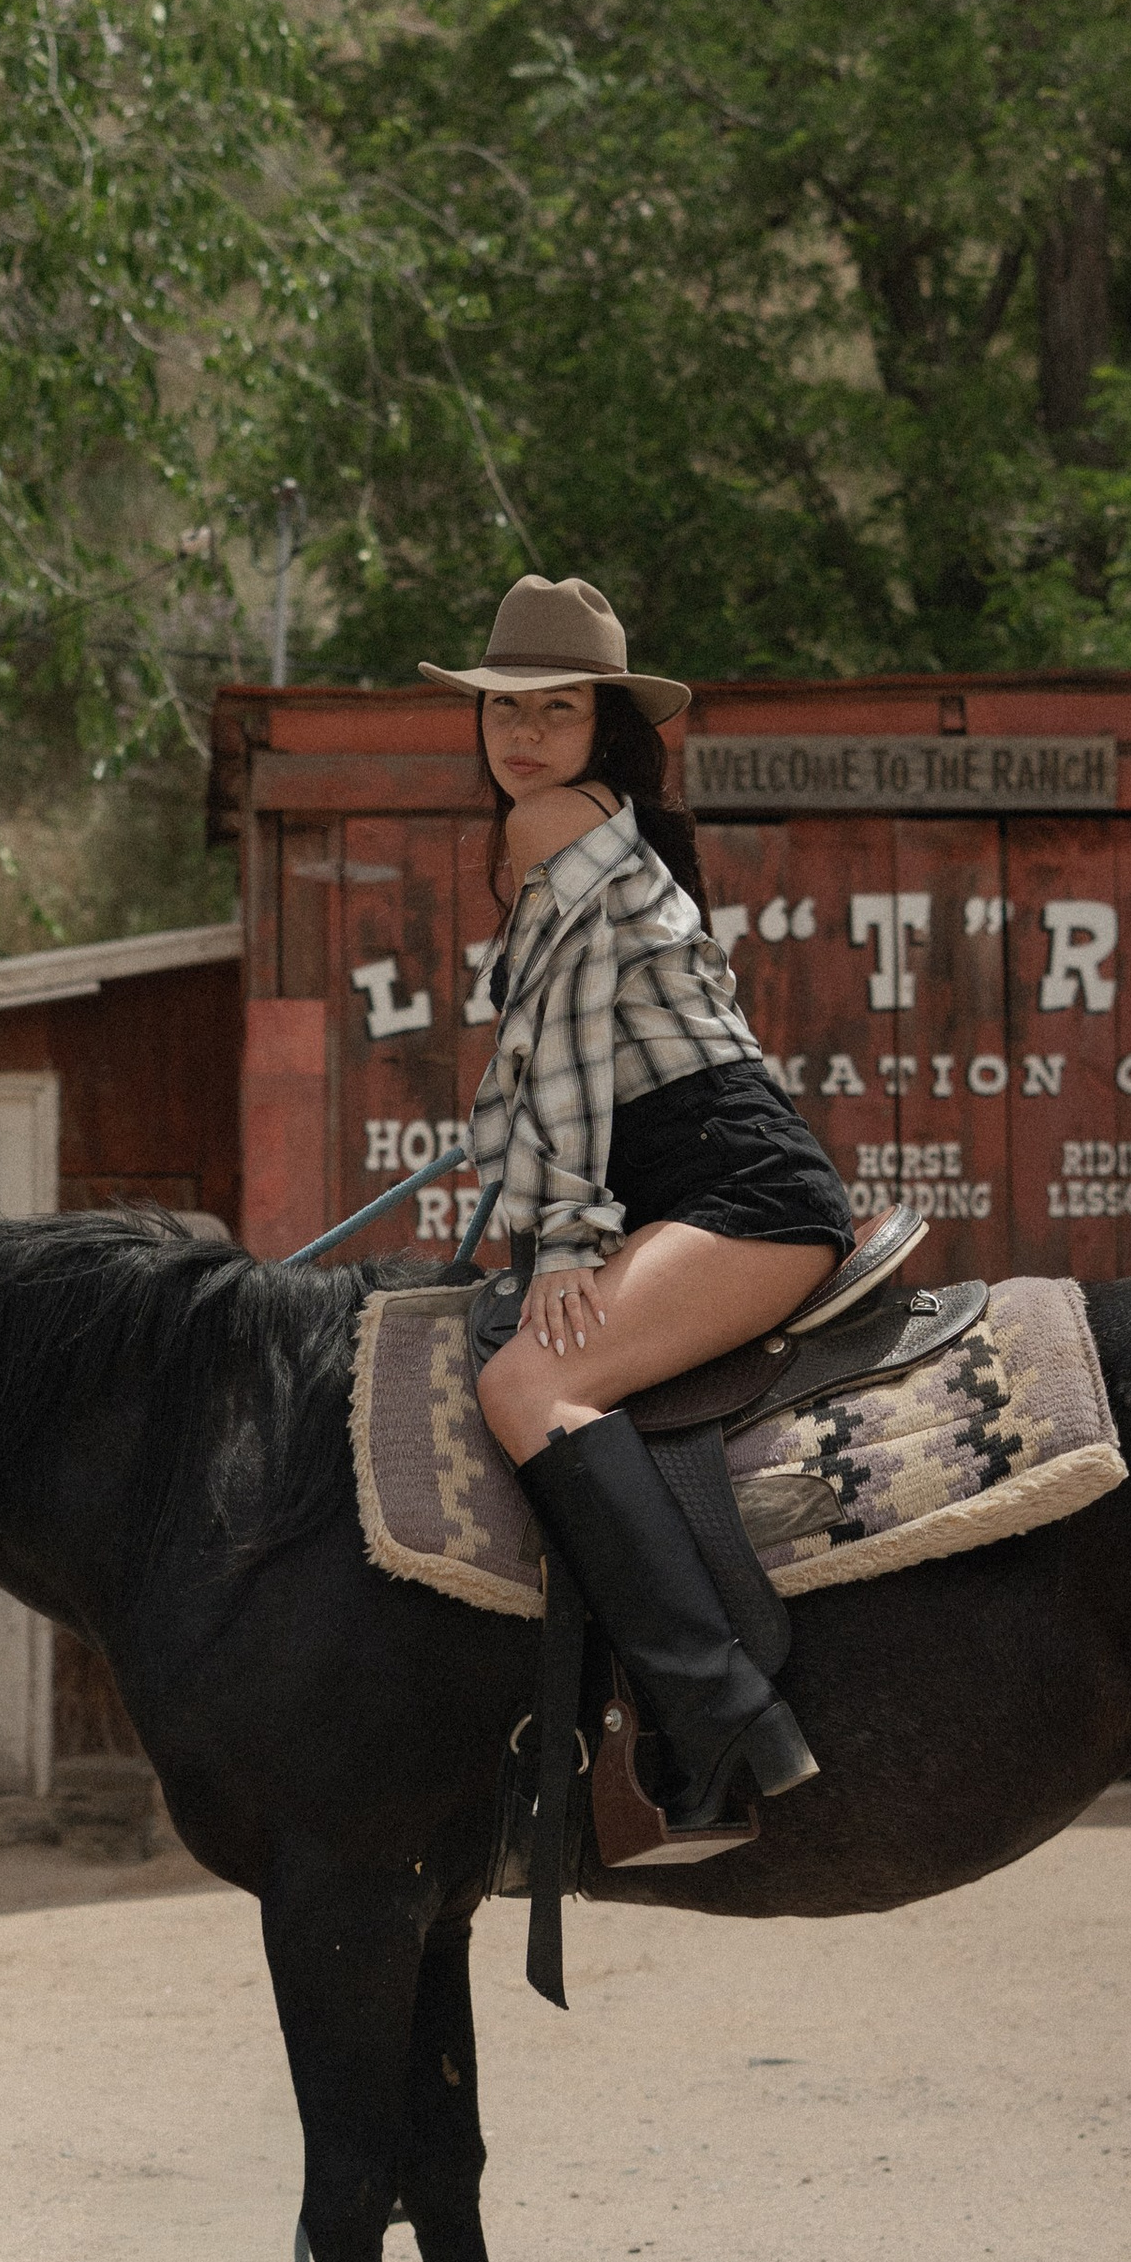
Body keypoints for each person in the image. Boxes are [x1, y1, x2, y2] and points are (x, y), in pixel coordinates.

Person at [422, 575, 855, 1849]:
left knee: (524, 1391)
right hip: (690, 1179)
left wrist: (558, 1234)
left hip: (742, 1189)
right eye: (506, 709)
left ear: (604, 726)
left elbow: (556, 1041)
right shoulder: (600, 827)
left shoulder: (555, 820)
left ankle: (721, 1716)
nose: (525, 735)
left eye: (558, 709)